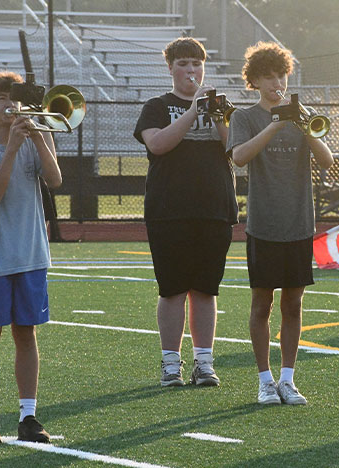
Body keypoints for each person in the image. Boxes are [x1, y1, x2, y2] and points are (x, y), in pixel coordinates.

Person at [227, 41, 333, 405]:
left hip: (299, 224)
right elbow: (239, 157)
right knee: (261, 304)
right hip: (264, 224)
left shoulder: (303, 115)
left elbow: (327, 160)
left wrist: (301, 124)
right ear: (254, 81)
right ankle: (264, 380)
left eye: (281, 75)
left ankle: (288, 379)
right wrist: (275, 125)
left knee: (294, 304)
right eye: (269, 76)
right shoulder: (244, 117)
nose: (277, 82)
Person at [134, 38, 238, 387]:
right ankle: (170, 364)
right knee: (173, 289)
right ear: (170, 68)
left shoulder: (223, 107)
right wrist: (194, 109)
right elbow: (158, 145)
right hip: (169, 209)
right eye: (183, 64)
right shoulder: (157, 106)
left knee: (206, 290)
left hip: (214, 208)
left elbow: (236, 150)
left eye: (196, 64)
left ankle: (204, 362)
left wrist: (218, 114)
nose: (190, 70)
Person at [0, 71, 61, 444]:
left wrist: (40, 136)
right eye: (2, 99)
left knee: (26, 334)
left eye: (14, 98)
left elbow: (54, 179)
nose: (10, 105)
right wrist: (12, 148)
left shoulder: (33, 137)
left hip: (32, 253)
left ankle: (28, 416)